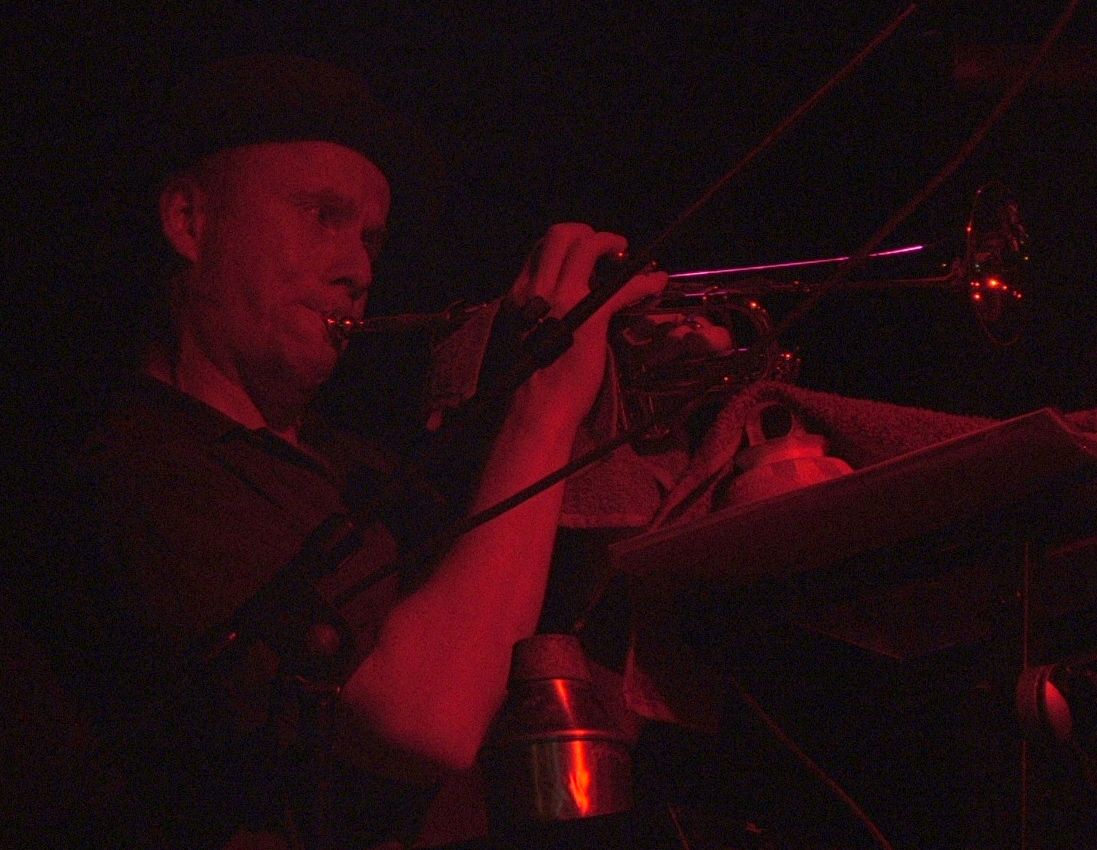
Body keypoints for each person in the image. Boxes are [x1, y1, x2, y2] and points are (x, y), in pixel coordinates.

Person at [37, 54, 667, 849]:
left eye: (370, 239)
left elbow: (559, 652)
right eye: (323, 217)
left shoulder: (364, 471)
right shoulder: (136, 469)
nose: (359, 269)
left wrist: (649, 429)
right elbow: (425, 722)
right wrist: (543, 405)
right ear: (189, 221)